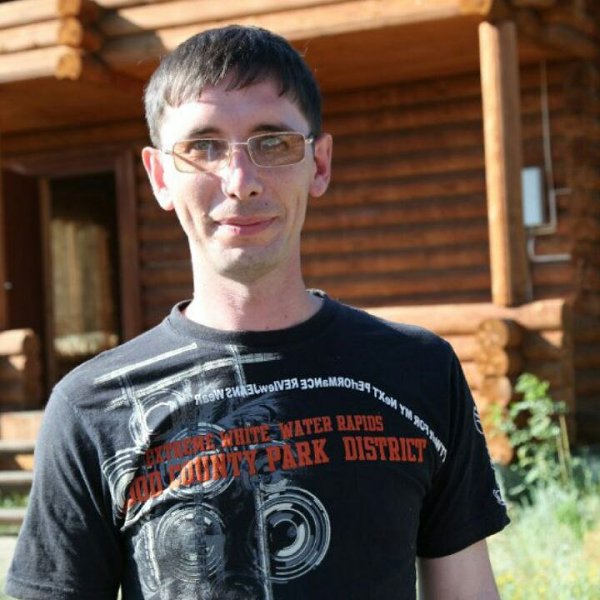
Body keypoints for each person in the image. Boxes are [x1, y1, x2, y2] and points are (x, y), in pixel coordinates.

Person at [6, 25, 508, 600]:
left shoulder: (418, 370)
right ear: (161, 177)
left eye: (273, 143)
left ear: (319, 164)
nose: (240, 182)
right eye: (203, 147)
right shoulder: (94, 406)